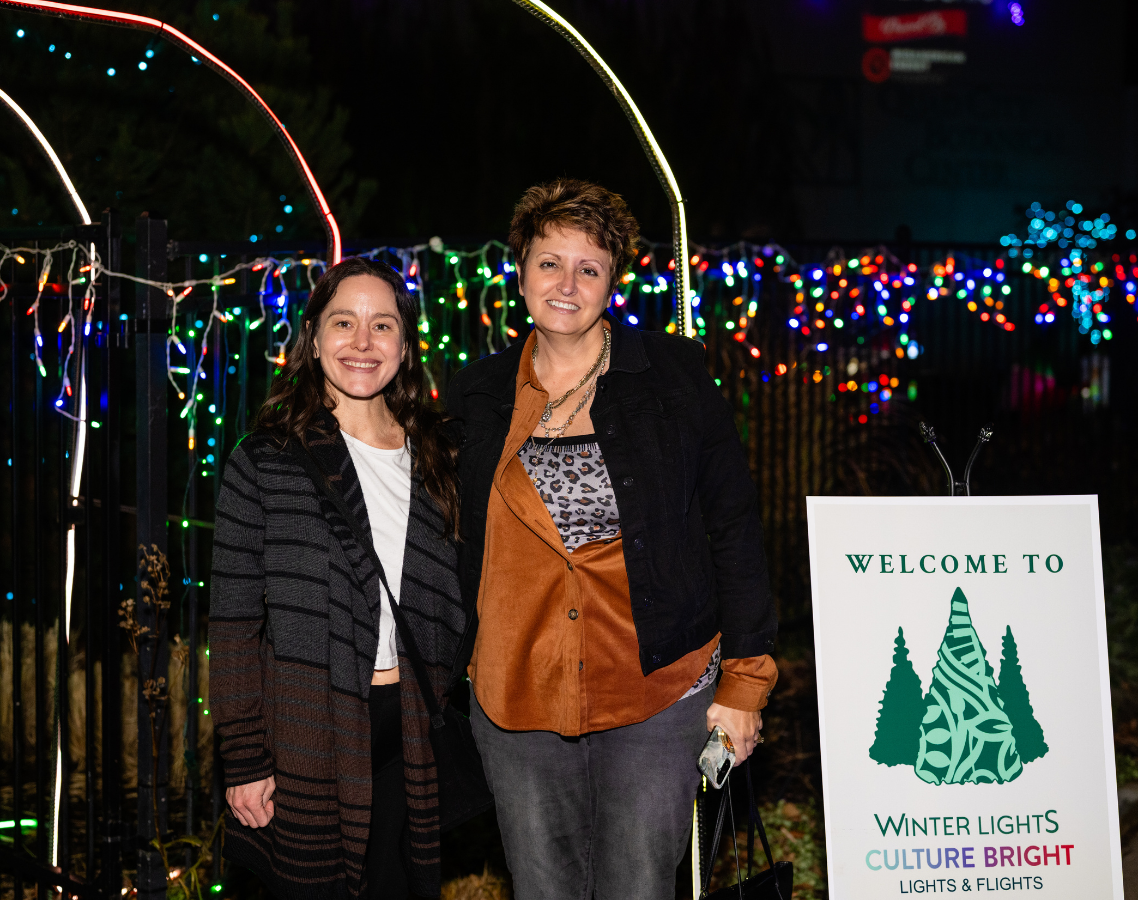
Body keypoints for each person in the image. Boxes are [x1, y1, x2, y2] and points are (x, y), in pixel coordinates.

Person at [446, 178, 779, 899]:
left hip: (656, 691)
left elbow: (733, 530)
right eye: (549, 262)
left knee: (638, 886)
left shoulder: (675, 380)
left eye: (588, 268)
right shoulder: (474, 395)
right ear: (521, 270)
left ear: (612, 283)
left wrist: (745, 686)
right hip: (517, 695)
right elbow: (441, 532)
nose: (566, 283)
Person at [210, 257, 466, 900]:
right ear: (314, 338)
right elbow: (235, 623)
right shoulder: (265, 459)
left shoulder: (437, 456)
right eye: (343, 322)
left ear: (405, 347)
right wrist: (244, 758)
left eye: (382, 325)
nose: (362, 342)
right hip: (309, 722)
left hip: (410, 723)